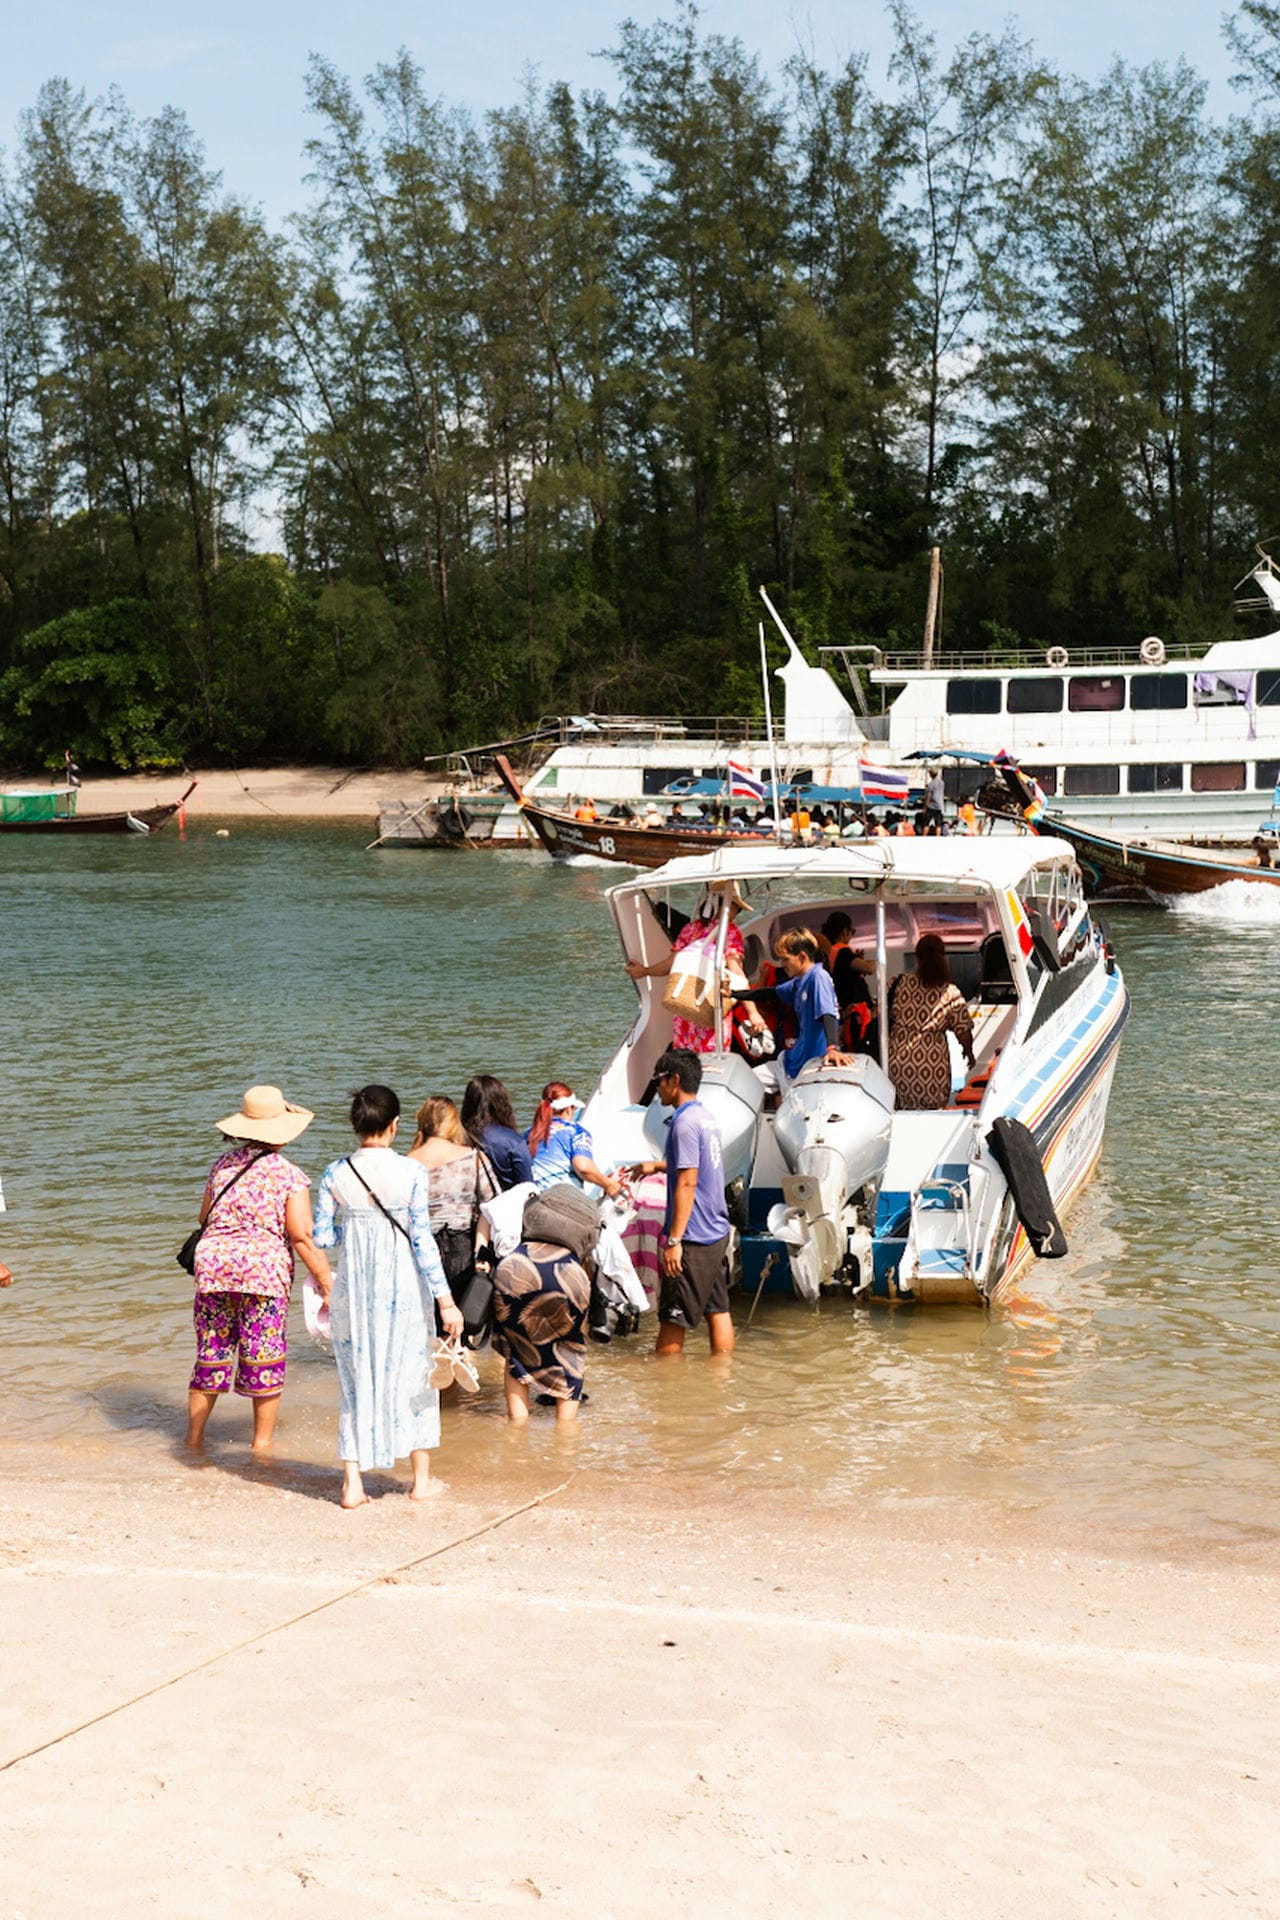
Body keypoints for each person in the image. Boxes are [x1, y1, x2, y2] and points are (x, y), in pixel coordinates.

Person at [313, 1085, 463, 1508]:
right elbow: (422, 1242)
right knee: (415, 1375)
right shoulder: (411, 1173)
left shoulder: (334, 1174)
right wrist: (447, 1302)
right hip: (403, 1290)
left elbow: (322, 1236)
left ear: (355, 1126)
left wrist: (357, 1231)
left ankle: (353, 1485)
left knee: (356, 1380)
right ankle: (419, 1482)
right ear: (395, 1126)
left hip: (354, 1292)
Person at [186, 1085, 331, 1454]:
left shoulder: (221, 1166)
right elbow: (300, 1236)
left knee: (211, 1355)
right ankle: (261, 1445)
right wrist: (327, 1282)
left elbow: (205, 1218)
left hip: (214, 1270)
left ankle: (193, 1441)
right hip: (263, 1275)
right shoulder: (288, 1175)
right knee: (263, 1356)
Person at [627, 1049, 734, 1357]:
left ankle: (667, 1393)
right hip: (716, 1230)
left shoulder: (683, 1123)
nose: (657, 1088)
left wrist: (674, 1240)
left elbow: (687, 1182)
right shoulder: (705, 1118)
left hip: (693, 1236)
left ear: (674, 1080)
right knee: (718, 1310)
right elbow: (698, 1167)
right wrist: (655, 1166)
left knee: (671, 1321)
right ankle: (721, 1378)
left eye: (659, 1081)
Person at [493, 1183, 598, 1422]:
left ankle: (518, 1426)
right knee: (571, 1352)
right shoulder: (584, 1235)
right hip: (566, 1274)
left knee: (516, 1350)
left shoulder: (529, 1206)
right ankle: (565, 1434)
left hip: (515, 1267)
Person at [624, 881, 755, 1055]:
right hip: (710, 1006)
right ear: (725, 906)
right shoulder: (730, 932)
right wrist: (753, 1013)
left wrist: (645, 971)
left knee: (686, 1060)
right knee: (712, 1060)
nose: (735, 914)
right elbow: (738, 975)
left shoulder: (691, 929)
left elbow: (671, 965)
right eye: (735, 908)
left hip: (685, 1005)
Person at [737, 928, 854, 1099]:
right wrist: (735, 994)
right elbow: (771, 993)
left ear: (802, 957)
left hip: (810, 1067)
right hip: (789, 1062)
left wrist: (833, 1049)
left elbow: (827, 1014)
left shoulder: (818, 977)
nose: (782, 964)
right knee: (742, 1082)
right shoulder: (799, 982)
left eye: (785, 959)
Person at [407, 1095, 497, 1304]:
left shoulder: (406, 1162)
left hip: (419, 1251)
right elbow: (490, 1207)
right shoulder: (473, 1157)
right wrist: (480, 1252)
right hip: (461, 1249)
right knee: (461, 1323)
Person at [888, 935, 976, 1111]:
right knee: (933, 1115)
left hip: (898, 1061)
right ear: (943, 957)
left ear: (917, 957)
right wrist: (968, 1052)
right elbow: (963, 1030)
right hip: (933, 1065)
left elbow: (882, 1015)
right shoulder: (950, 992)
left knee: (899, 1114)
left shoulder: (897, 983)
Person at [527, 1082, 622, 1196]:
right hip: (564, 1199)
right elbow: (583, 1168)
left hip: (534, 1197)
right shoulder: (575, 1132)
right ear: (569, 1109)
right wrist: (608, 1184)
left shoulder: (530, 1132)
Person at [461, 1074, 534, 1190]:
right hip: (505, 1204)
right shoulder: (513, 1141)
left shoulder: (456, 1138)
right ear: (501, 1104)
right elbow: (527, 1187)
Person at [923, 766, 945, 830]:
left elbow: (928, 797)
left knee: (926, 824)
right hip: (939, 806)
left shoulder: (930, 784)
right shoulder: (942, 783)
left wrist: (925, 807)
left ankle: (923, 837)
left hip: (931, 806)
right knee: (938, 824)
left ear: (930, 774)